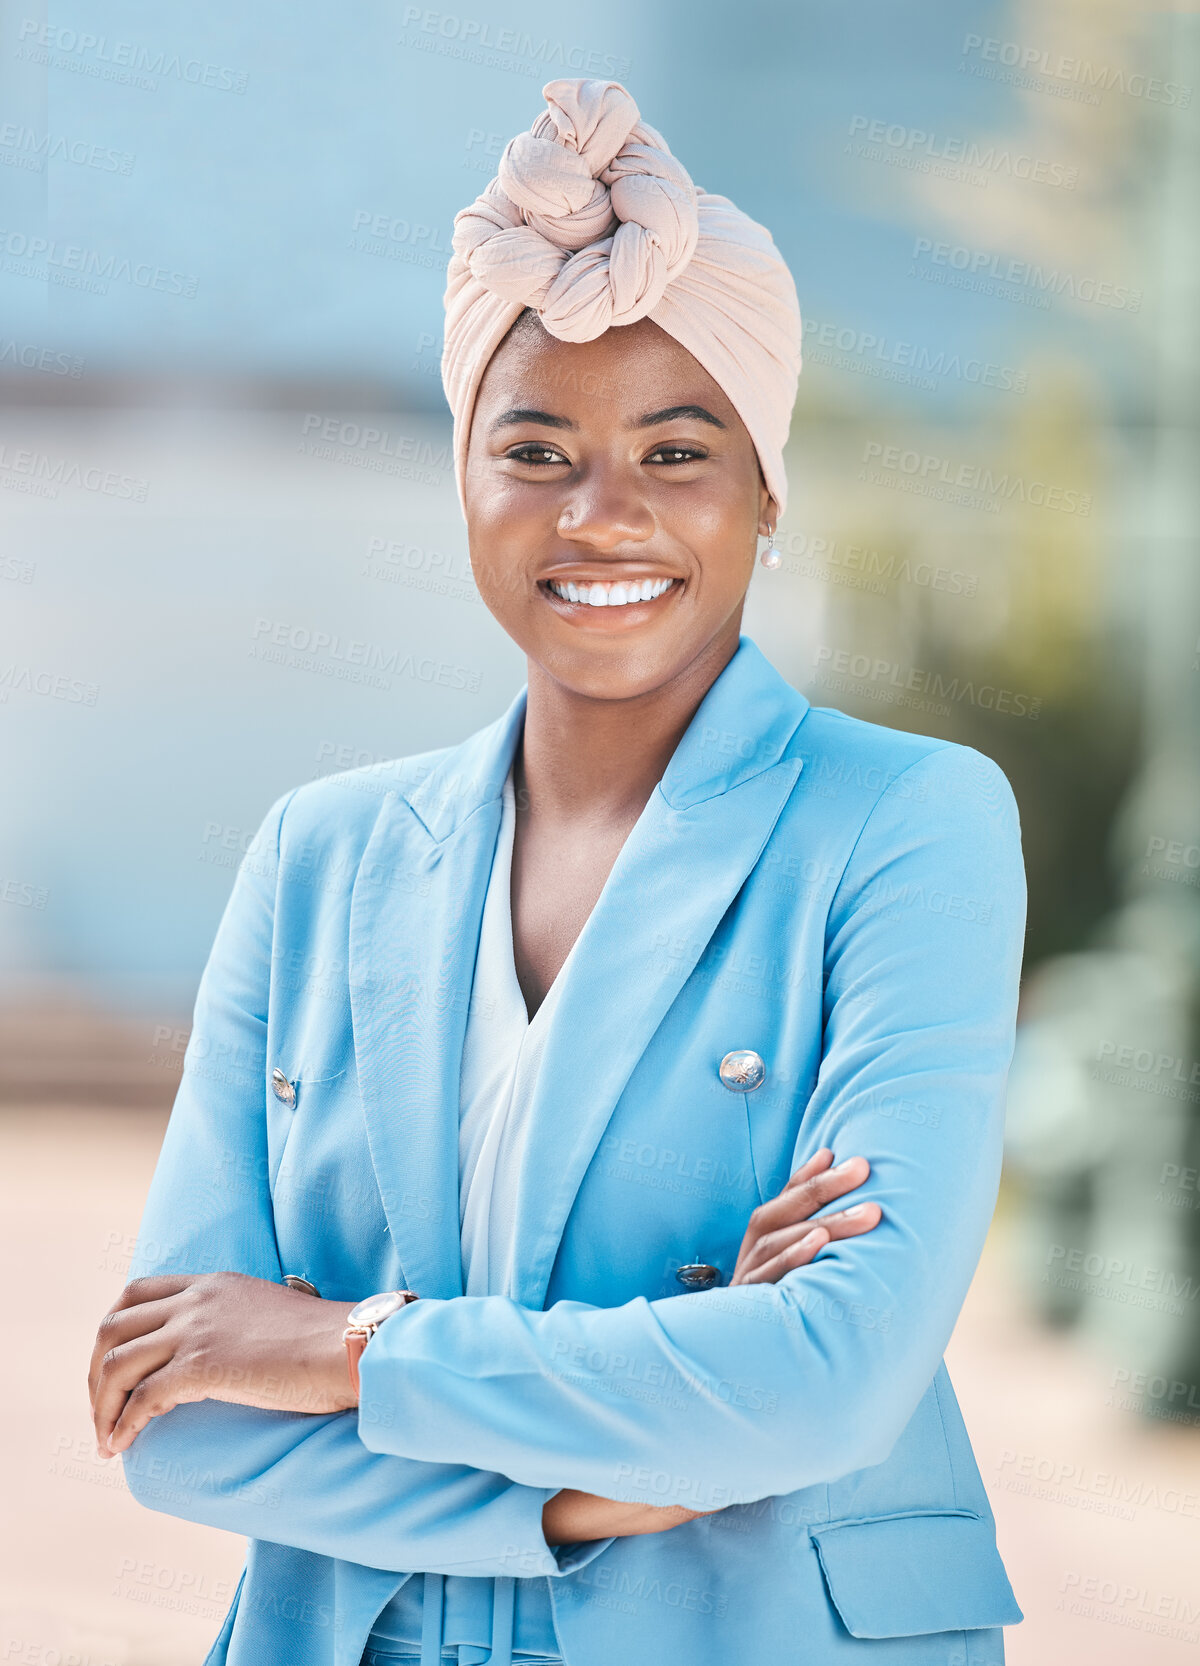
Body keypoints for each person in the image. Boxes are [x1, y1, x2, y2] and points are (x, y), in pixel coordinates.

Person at [89, 78, 1027, 1666]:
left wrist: (342, 1345)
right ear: (463, 477)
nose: (605, 513)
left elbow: (833, 1376)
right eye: (536, 446)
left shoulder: (908, 824)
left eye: (678, 446)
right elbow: (178, 1418)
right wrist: (604, 1486)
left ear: (767, 488)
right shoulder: (318, 855)